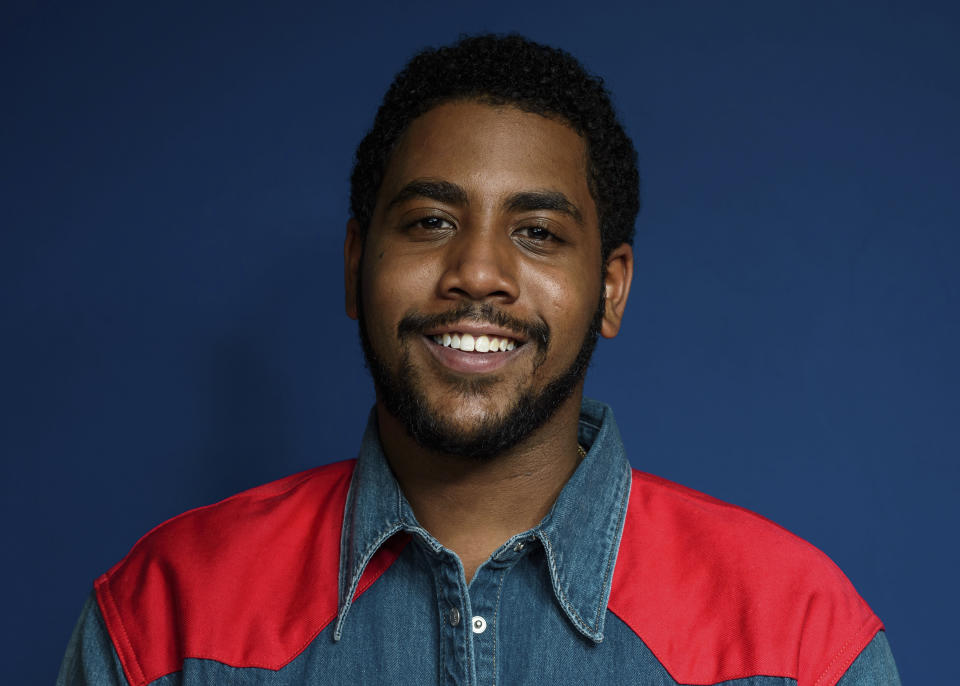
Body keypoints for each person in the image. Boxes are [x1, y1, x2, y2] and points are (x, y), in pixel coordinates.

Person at [58, 34, 900, 686]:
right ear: (355, 264)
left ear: (611, 289)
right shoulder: (166, 612)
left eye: (536, 233)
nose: (478, 274)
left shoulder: (798, 634)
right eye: (430, 221)